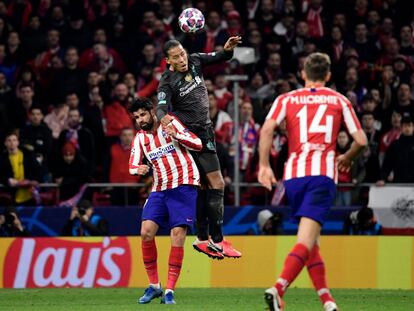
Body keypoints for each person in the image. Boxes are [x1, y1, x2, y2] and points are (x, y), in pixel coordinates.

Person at [258, 52, 368, 311]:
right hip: (321, 176)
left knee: (312, 242)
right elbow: (361, 140)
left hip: (293, 177)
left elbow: (266, 129)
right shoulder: (339, 100)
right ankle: (278, 288)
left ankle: (327, 301)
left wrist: (263, 166)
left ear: (303, 74)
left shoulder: (285, 98)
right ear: (328, 76)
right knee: (306, 241)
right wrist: (347, 156)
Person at [156, 36, 242, 259]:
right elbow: (161, 108)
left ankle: (203, 239)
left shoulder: (195, 61)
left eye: (182, 54)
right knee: (217, 183)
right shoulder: (167, 81)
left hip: (206, 131)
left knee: (204, 187)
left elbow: (222, 56)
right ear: (168, 61)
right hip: (190, 137)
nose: (182, 59)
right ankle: (219, 240)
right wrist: (164, 119)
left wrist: (228, 48)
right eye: (176, 57)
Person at [129, 98, 202, 305]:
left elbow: (197, 143)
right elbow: (132, 165)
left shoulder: (170, 123)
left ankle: (170, 290)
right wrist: (139, 170)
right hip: (159, 189)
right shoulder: (140, 139)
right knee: (146, 232)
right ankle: (154, 286)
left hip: (184, 185)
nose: (140, 120)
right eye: (136, 117)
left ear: (152, 112)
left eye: (142, 114)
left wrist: (177, 135)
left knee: (177, 235)